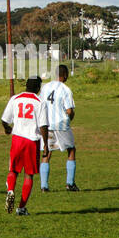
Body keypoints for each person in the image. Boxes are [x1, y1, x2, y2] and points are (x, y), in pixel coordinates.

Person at [1, 76, 49, 216]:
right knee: (28, 175)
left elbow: (4, 119)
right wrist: (46, 144)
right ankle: (21, 208)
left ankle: (10, 190)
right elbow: (43, 126)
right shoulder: (40, 102)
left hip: (17, 139)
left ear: (26, 85)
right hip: (31, 141)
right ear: (38, 88)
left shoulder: (15, 99)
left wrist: (7, 129)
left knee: (13, 170)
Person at [40, 64, 78, 192]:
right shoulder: (66, 89)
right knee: (71, 150)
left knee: (47, 152)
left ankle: (44, 186)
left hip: (47, 125)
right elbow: (69, 110)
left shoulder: (45, 87)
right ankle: (70, 183)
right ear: (65, 75)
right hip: (61, 124)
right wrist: (71, 117)